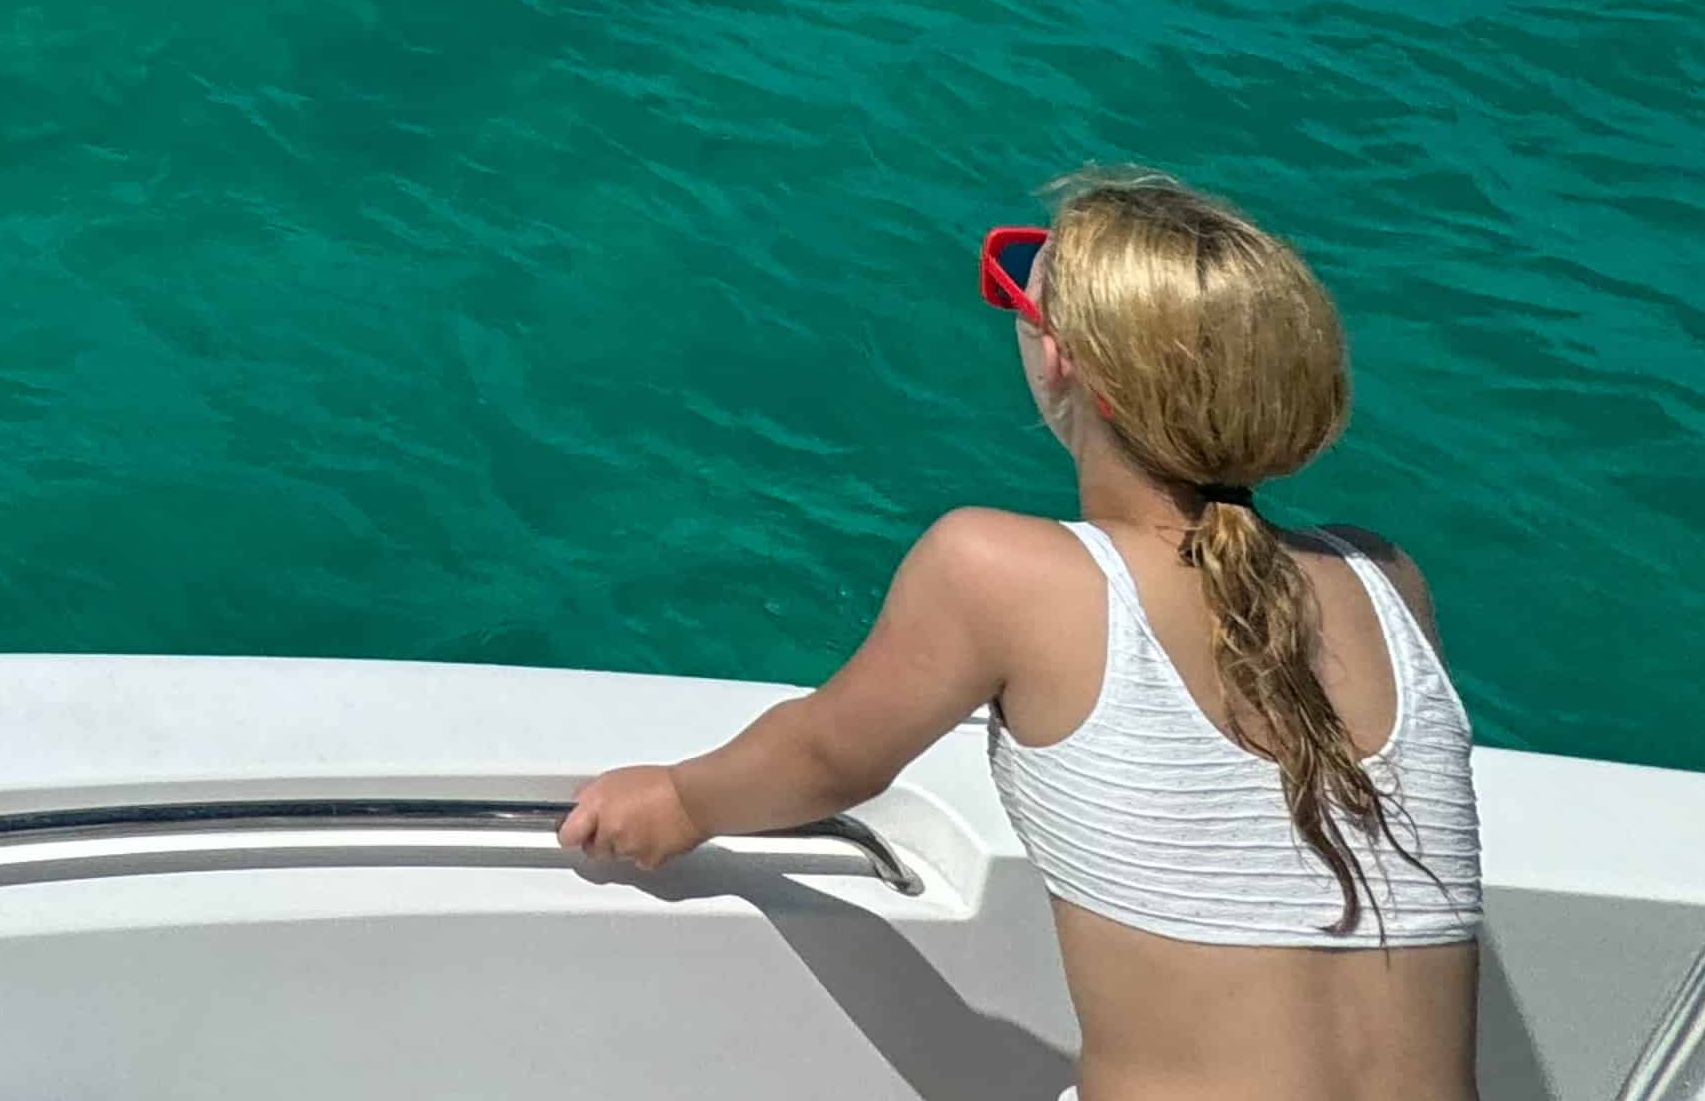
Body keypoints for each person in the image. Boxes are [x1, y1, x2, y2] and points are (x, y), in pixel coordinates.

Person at [561, 170, 1481, 1101]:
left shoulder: (1002, 571)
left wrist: (681, 800)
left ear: (1060, 363)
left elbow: (828, 755)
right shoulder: (1388, 582)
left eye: (1015, 286)